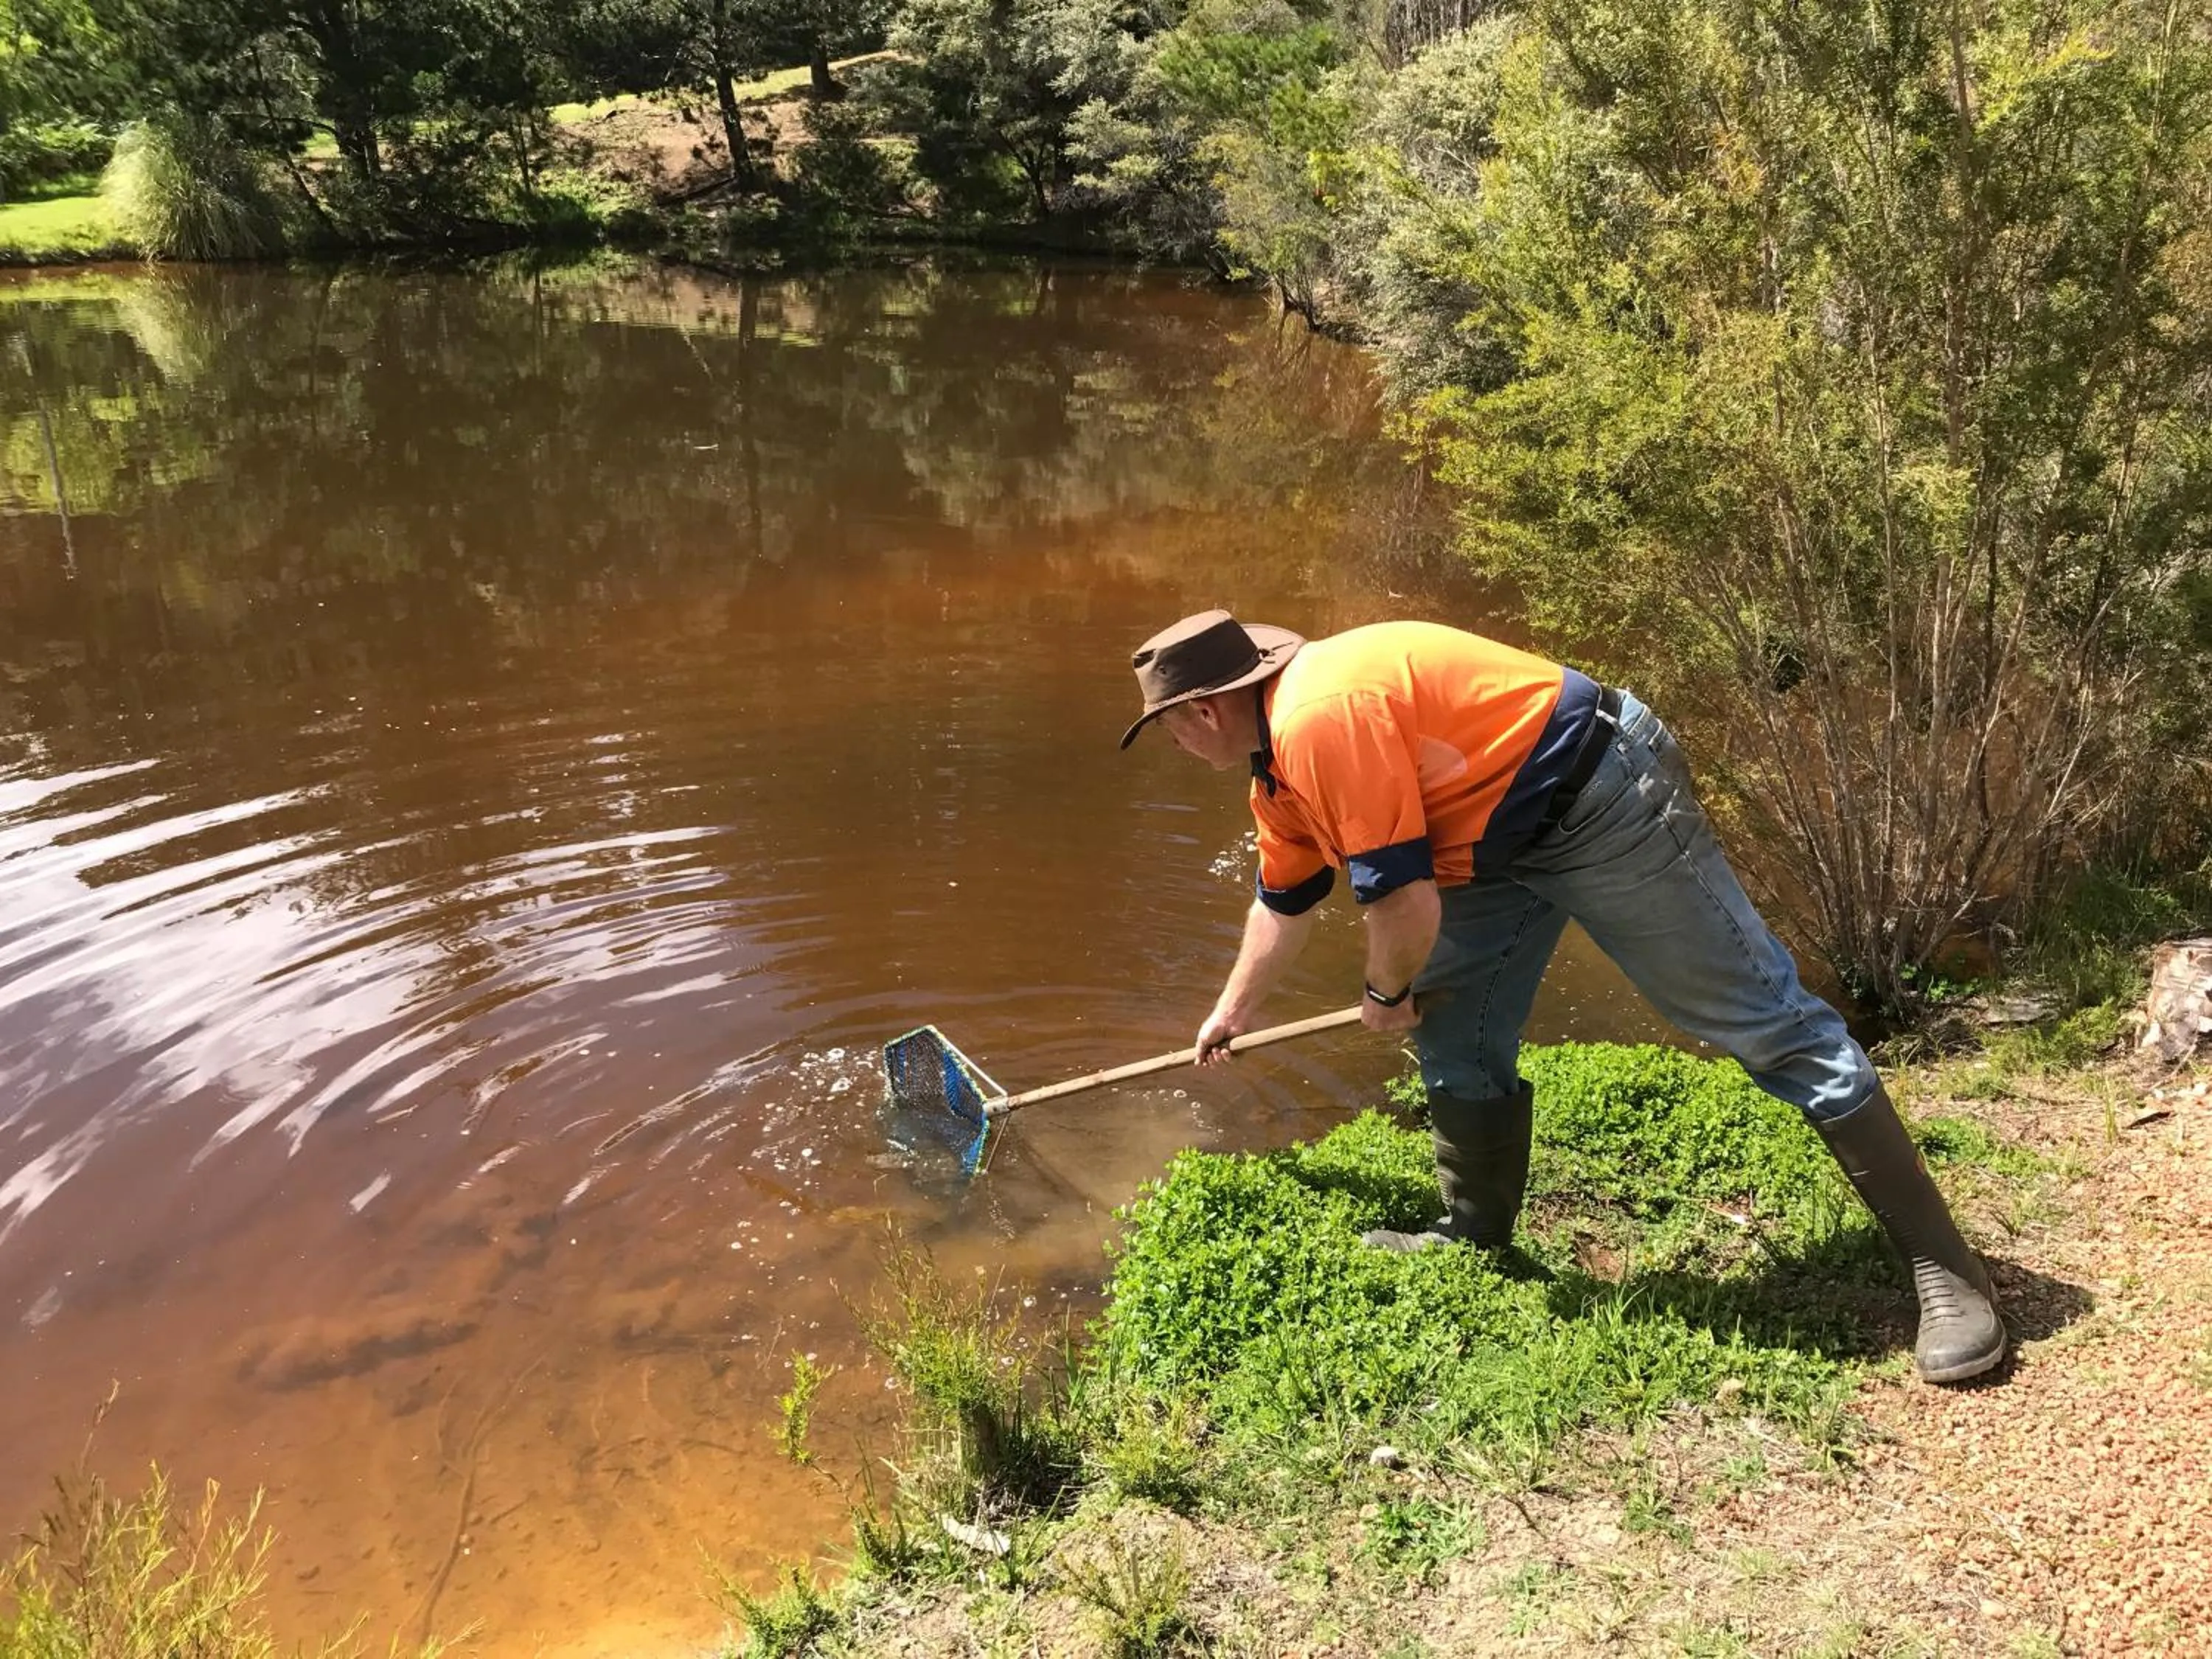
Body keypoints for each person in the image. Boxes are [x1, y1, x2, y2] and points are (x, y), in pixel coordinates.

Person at [1119, 609, 2006, 1385]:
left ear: (1205, 710)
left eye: (1168, 728)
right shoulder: (1276, 772)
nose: (1174, 745)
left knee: (1757, 1018)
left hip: (1599, 798)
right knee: (1455, 1031)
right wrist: (1233, 1012)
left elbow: (1403, 903)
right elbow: (1284, 901)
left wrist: (1385, 991)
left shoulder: (1320, 718)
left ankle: (1948, 1271)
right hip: (1487, 839)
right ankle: (1476, 1231)